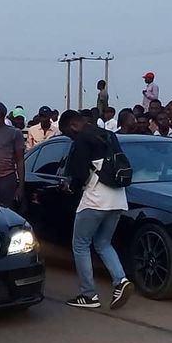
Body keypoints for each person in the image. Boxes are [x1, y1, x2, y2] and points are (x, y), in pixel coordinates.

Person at [60, 109, 133, 310]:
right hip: (118, 198)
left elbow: (80, 173)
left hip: (95, 198)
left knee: (80, 244)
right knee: (102, 242)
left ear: (74, 125)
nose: (70, 137)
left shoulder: (82, 138)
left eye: (68, 133)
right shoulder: (108, 134)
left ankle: (89, 295)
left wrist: (70, 186)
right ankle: (121, 280)